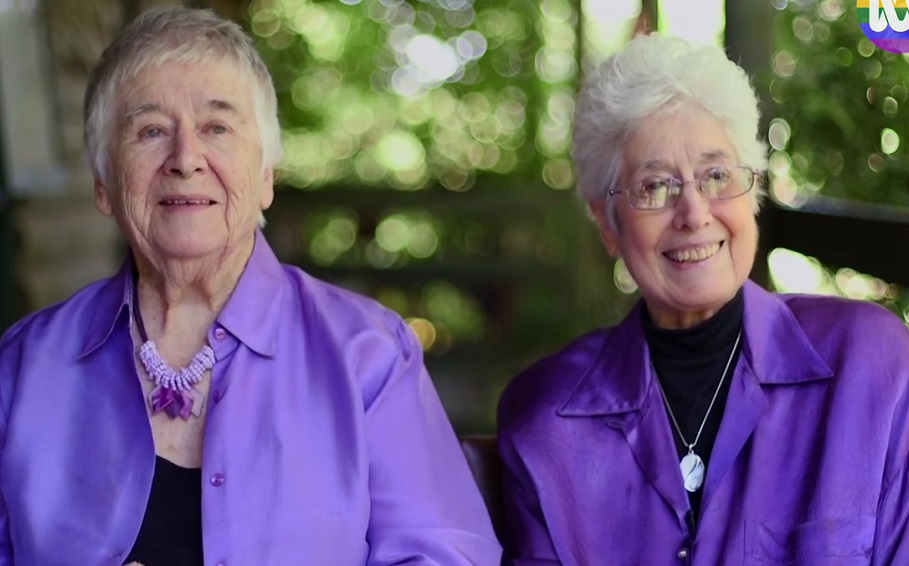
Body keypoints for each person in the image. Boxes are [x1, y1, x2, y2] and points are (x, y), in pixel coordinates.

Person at [0, 6, 501, 565]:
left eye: (217, 127)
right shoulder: (24, 366)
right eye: (151, 131)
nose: (185, 159)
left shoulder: (368, 356)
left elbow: (446, 556)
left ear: (266, 176)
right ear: (104, 184)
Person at [497, 33, 909, 565]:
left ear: (753, 192)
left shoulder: (872, 362)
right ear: (608, 223)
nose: (694, 213)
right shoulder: (546, 420)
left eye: (716, 175)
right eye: (654, 186)